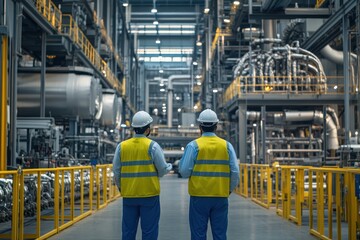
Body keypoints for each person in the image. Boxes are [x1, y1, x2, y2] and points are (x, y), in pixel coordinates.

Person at [179, 109, 240, 240]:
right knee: (220, 234)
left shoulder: (193, 146)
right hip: (220, 196)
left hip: (199, 197)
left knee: (198, 234)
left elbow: (184, 172)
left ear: (200, 126)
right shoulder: (227, 146)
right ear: (216, 126)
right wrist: (228, 189)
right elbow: (235, 172)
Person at [112, 110, 172, 240]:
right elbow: (162, 170)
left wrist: (121, 188)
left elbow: (116, 171)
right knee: (149, 232)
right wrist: (169, 167)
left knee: (128, 231)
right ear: (147, 129)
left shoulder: (122, 147)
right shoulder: (153, 146)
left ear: (134, 128)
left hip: (129, 195)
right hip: (149, 195)